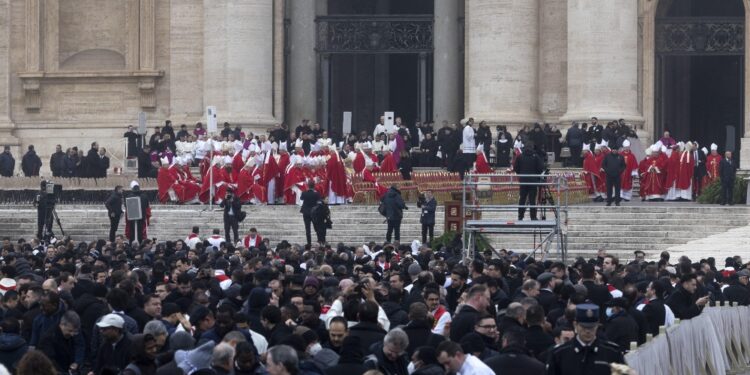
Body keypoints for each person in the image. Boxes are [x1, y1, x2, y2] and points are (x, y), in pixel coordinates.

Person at [546, 304, 625, 375]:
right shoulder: (559, 354)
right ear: (575, 325)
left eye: (591, 327)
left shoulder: (612, 352)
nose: (588, 331)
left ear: (597, 325)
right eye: (584, 327)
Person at [513, 143, 544, 220]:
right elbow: (540, 168)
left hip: (523, 180)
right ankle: (533, 217)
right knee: (532, 200)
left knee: (522, 199)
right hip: (533, 181)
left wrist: (520, 174)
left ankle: (520, 216)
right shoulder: (535, 157)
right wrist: (536, 175)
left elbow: (516, 168)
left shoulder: (520, 156)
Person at [300, 180, 322, 246]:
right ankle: (319, 240)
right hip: (314, 213)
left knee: (307, 229)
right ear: (314, 186)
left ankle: (309, 243)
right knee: (317, 227)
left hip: (306, 213)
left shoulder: (304, 193)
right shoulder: (316, 194)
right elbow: (319, 202)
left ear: (307, 186)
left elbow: (301, 198)